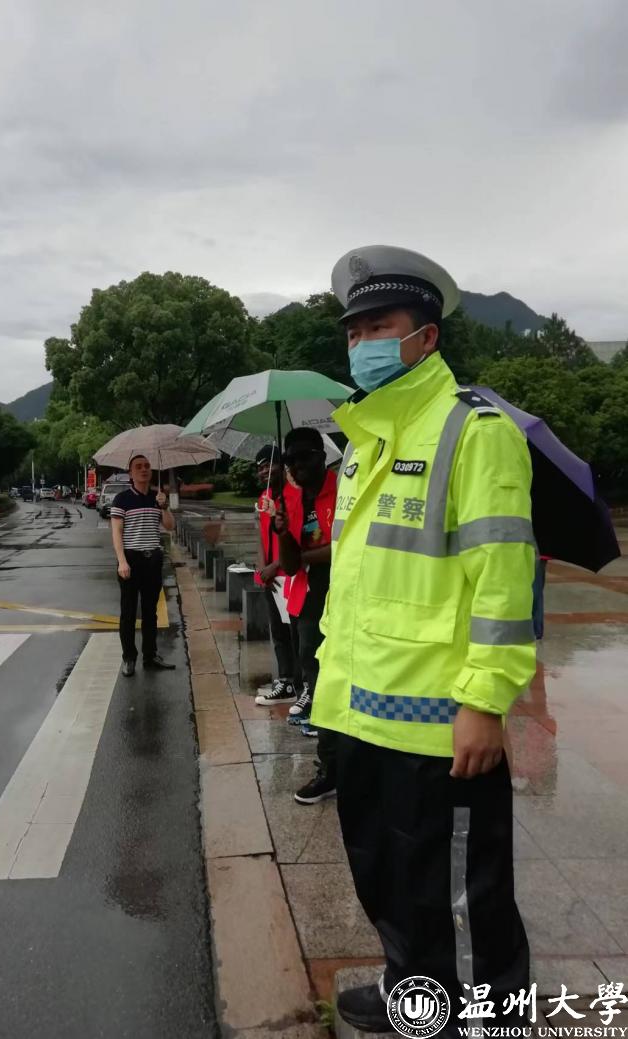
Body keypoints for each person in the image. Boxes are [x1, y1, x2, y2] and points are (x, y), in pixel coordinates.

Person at [312, 247, 536, 1032]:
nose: (363, 343)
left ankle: (483, 1021)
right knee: (388, 880)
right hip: (359, 713)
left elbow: (504, 580)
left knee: (461, 899)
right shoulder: (362, 441)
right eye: (354, 332)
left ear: (425, 337)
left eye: (380, 327)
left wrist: (485, 700)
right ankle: (415, 994)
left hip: (440, 727)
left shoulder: (474, 431)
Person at [272, 428, 339, 805]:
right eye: (291, 460)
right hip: (307, 600)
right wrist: (283, 531)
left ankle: (340, 764)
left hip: (343, 595)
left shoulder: (343, 488)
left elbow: (344, 546)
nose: (297, 466)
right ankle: (330, 767)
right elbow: (289, 564)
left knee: (340, 679)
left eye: (304, 457)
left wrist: (307, 555)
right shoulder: (291, 498)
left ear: (321, 456)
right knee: (315, 675)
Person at [111, 454, 176, 677]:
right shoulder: (122, 499)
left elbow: (170, 526)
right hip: (131, 560)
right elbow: (117, 532)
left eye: (147, 466)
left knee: (150, 611)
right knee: (128, 612)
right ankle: (129, 658)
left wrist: (164, 506)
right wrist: (122, 561)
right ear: (131, 473)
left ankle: (150, 655)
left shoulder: (157, 498)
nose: (144, 470)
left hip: (153, 560)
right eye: (138, 467)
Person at [253, 445, 301, 706]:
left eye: (268, 465)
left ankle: (301, 684)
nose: (263, 471)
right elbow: (261, 536)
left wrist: (275, 567)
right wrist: (263, 569)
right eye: (259, 468)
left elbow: (297, 540)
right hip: (270, 579)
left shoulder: (295, 495)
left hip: (290, 576)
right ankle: (284, 682)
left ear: (282, 466)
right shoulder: (264, 498)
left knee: (296, 633)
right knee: (279, 633)